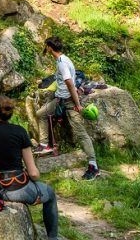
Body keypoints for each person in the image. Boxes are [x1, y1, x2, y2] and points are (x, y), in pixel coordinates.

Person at [0, 95, 59, 240]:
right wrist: (35, 177)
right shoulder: (19, 132)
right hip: (14, 189)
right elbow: (33, 173)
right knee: (50, 194)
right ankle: (53, 238)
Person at [33, 36, 100, 180]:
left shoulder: (62, 63)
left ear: (50, 47)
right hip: (60, 100)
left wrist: (77, 105)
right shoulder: (62, 60)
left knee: (81, 133)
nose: (46, 49)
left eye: (46, 46)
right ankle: (45, 145)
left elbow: (70, 84)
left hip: (69, 102)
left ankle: (93, 166)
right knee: (41, 114)